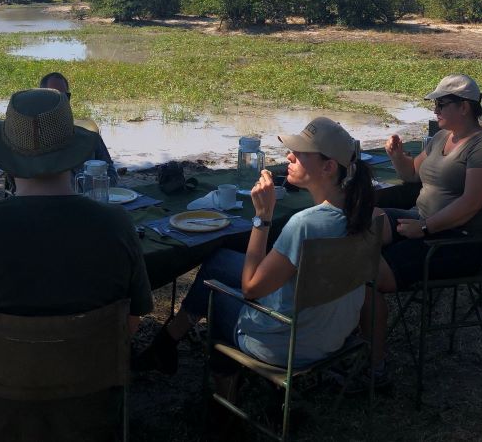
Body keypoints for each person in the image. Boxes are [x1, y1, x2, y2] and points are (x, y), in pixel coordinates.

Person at [0, 88, 152, 440]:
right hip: (88, 419)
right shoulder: (117, 225)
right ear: (75, 156)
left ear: (4, 159)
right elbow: (129, 326)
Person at [134, 117, 385, 398]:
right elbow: (377, 280)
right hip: (331, 334)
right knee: (219, 261)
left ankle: (224, 411)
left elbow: (250, 288)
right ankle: (165, 344)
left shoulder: (305, 225)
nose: (290, 156)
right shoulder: (366, 216)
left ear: (328, 167)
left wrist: (262, 219)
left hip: (287, 345)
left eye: (301, 154)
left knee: (216, 296)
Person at [369, 73, 482, 381]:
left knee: (367, 272)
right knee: (361, 222)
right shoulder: (442, 137)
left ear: (465, 108)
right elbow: (411, 175)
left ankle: (373, 364)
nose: (435, 110)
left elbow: (470, 204)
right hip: (421, 222)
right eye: (435, 104)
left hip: (457, 243)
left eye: (442, 104)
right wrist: (396, 157)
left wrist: (426, 228)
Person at [38, 71, 115, 176]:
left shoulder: (89, 136)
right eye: (53, 96)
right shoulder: (31, 140)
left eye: (64, 96)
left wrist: (91, 184)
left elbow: (111, 172)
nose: (60, 101)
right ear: (41, 98)